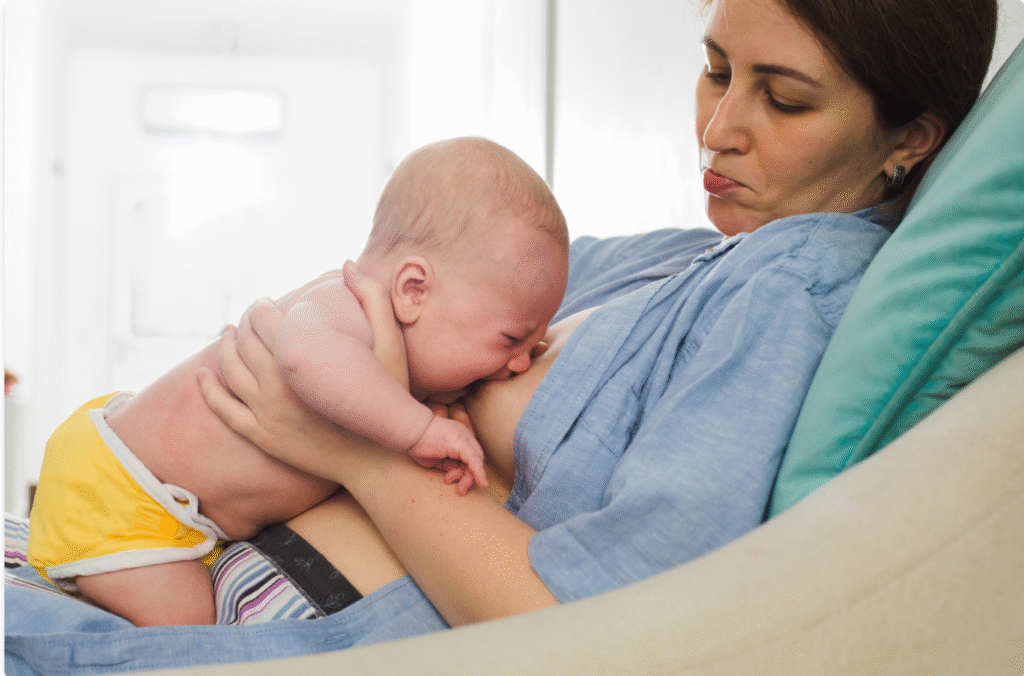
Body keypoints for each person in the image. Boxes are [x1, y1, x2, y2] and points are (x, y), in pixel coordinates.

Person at [3, 0, 997, 670]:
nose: (717, 127)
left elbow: (625, 627)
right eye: (713, 70)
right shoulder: (672, 259)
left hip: (273, 625)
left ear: (910, 138)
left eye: (782, 98)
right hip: (201, 547)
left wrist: (349, 448)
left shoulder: (790, 293)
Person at [25, 136, 569, 627]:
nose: (522, 362)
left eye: (536, 345)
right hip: (124, 488)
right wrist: (419, 429)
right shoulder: (346, 306)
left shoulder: (391, 366)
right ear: (412, 290)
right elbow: (304, 358)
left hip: (176, 508)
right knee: (185, 624)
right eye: (512, 338)